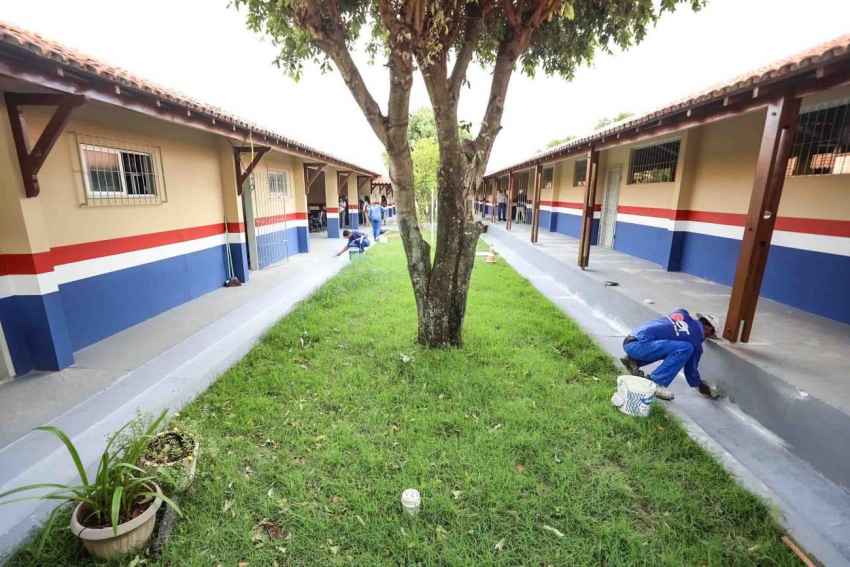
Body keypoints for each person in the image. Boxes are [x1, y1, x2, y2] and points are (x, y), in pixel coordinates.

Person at [620, 310, 719, 401]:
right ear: (708, 329)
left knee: (671, 346)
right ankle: (655, 383)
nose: (707, 338)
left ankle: (633, 361)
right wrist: (701, 386)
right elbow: (690, 371)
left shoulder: (682, 313)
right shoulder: (696, 342)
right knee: (686, 348)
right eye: (711, 334)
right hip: (640, 347)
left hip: (631, 340)